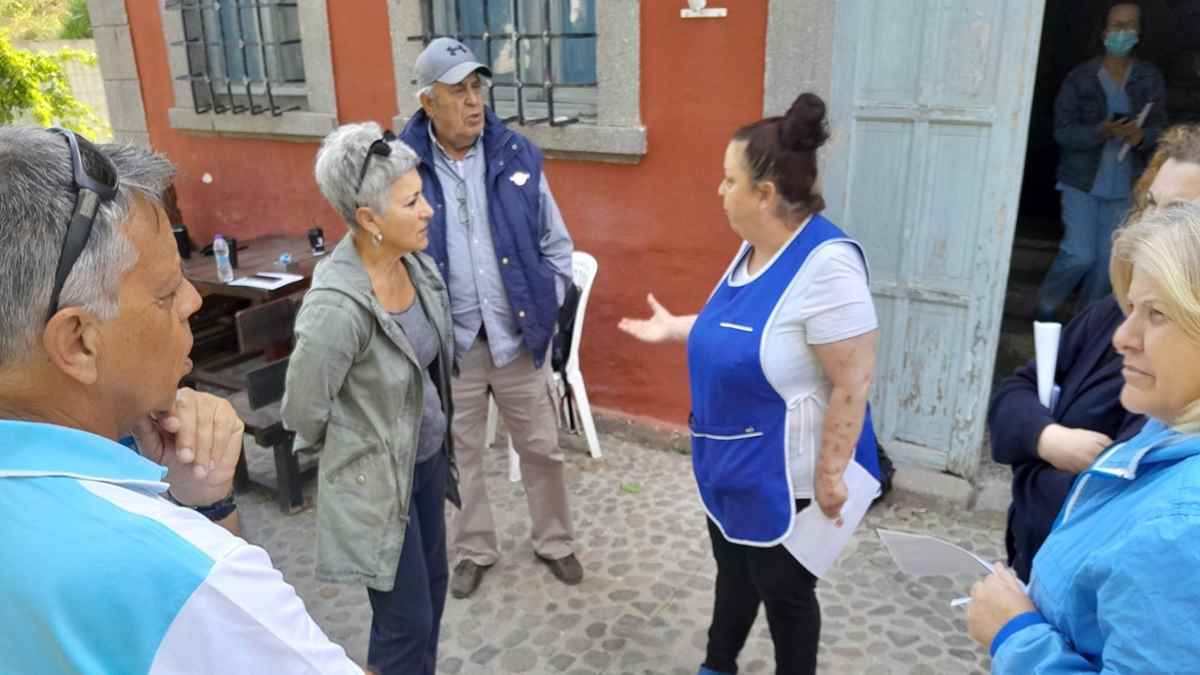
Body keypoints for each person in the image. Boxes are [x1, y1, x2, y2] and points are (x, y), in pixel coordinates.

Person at [0, 126, 362, 673]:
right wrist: (210, 518)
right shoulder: (171, 570)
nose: (194, 300)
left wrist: (199, 496)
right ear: (76, 342)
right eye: (167, 293)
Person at [618, 93, 881, 675]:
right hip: (731, 466)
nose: (719, 190)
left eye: (728, 179)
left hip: (790, 482)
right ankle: (718, 664)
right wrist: (677, 328)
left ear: (764, 194)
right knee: (734, 569)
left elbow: (853, 381)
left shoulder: (828, 267)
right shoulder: (754, 250)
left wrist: (833, 475)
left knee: (785, 595)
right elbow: (744, 330)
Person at [968, 202, 1200, 673]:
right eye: (1130, 308)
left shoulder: (1181, 528)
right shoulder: (1167, 433)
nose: (1123, 338)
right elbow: (1014, 395)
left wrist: (1017, 636)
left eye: (1156, 314)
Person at [398, 37, 580, 598]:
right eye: (459, 91)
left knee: (543, 448)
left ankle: (556, 541)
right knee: (460, 455)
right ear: (428, 102)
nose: (474, 101)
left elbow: (558, 246)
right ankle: (474, 549)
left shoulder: (517, 153)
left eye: (478, 87)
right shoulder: (401, 164)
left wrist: (543, 311)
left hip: (517, 337)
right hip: (450, 347)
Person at [281, 122, 458, 675]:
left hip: (425, 464)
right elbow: (301, 410)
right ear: (368, 219)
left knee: (432, 593)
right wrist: (364, 448)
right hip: (379, 484)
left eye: (421, 193)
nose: (428, 209)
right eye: (411, 201)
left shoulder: (416, 265)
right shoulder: (337, 307)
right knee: (404, 623)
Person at [989, 123, 1200, 582]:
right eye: (1150, 205)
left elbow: (1096, 504)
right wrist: (1050, 443)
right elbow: (1010, 399)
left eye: (1178, 213)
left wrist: (1027, 462)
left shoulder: (1179, 377)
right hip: (1033, 571)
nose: (1150, 225)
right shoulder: (1108, 314)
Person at [1036, 2, 1167, 321]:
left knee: (1108, 264)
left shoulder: (1149, 77)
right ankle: (1046, 309)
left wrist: (1141, 137)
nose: (1122, 32)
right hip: (1081, 181)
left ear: (1140, 32)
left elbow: (1161, 129)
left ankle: (1083, 324)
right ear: (1103, 32)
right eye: (1116, 26)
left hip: (1125, 185)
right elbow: (1063, 133)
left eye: (1130, 26)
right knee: (1078, 255)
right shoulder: (1081, 77)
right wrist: (1101, 131)